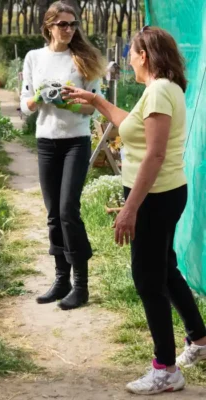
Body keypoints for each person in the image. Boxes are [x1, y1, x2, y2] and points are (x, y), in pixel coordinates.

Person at [63, 26, 206, 395]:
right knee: (166, 268)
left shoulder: (158, 91)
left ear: (144, 55)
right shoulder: (161, 89)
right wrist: (95, 101)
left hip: (155, 197)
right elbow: (133, 126)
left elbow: (155, 155)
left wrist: (130, 209)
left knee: (147, 280)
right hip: (164, 194)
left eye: (131, 51)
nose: (127, 57)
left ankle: (165, 369)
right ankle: (200, 339)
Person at [20, 1, 104, 310]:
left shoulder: (83, 59)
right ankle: (61, 280)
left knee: (69, 211)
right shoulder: (34, 57)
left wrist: (68, 102)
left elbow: (94, 106)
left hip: (75, 142)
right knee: (53, 214)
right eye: (62, 24)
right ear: (48, 27)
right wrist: (41, 98)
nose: (68, 29)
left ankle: (81, 285)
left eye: (73, 24)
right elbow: (24, 105)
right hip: (46, 142)